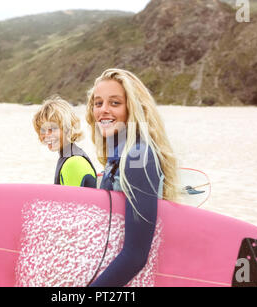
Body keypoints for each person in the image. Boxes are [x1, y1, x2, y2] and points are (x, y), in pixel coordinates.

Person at [85, 68, 179, 286]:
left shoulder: (139, 157)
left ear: (133, 108)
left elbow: (135, 256)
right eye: (98, 103)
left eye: (115, 103)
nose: (103, 110)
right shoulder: (117, 158)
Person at [33, 95, 97, 188]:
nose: (47, 135)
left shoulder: (73, 163)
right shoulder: (72, 155)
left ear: (68, 129)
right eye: (43, 129)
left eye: (53, 128)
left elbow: (73, 202)